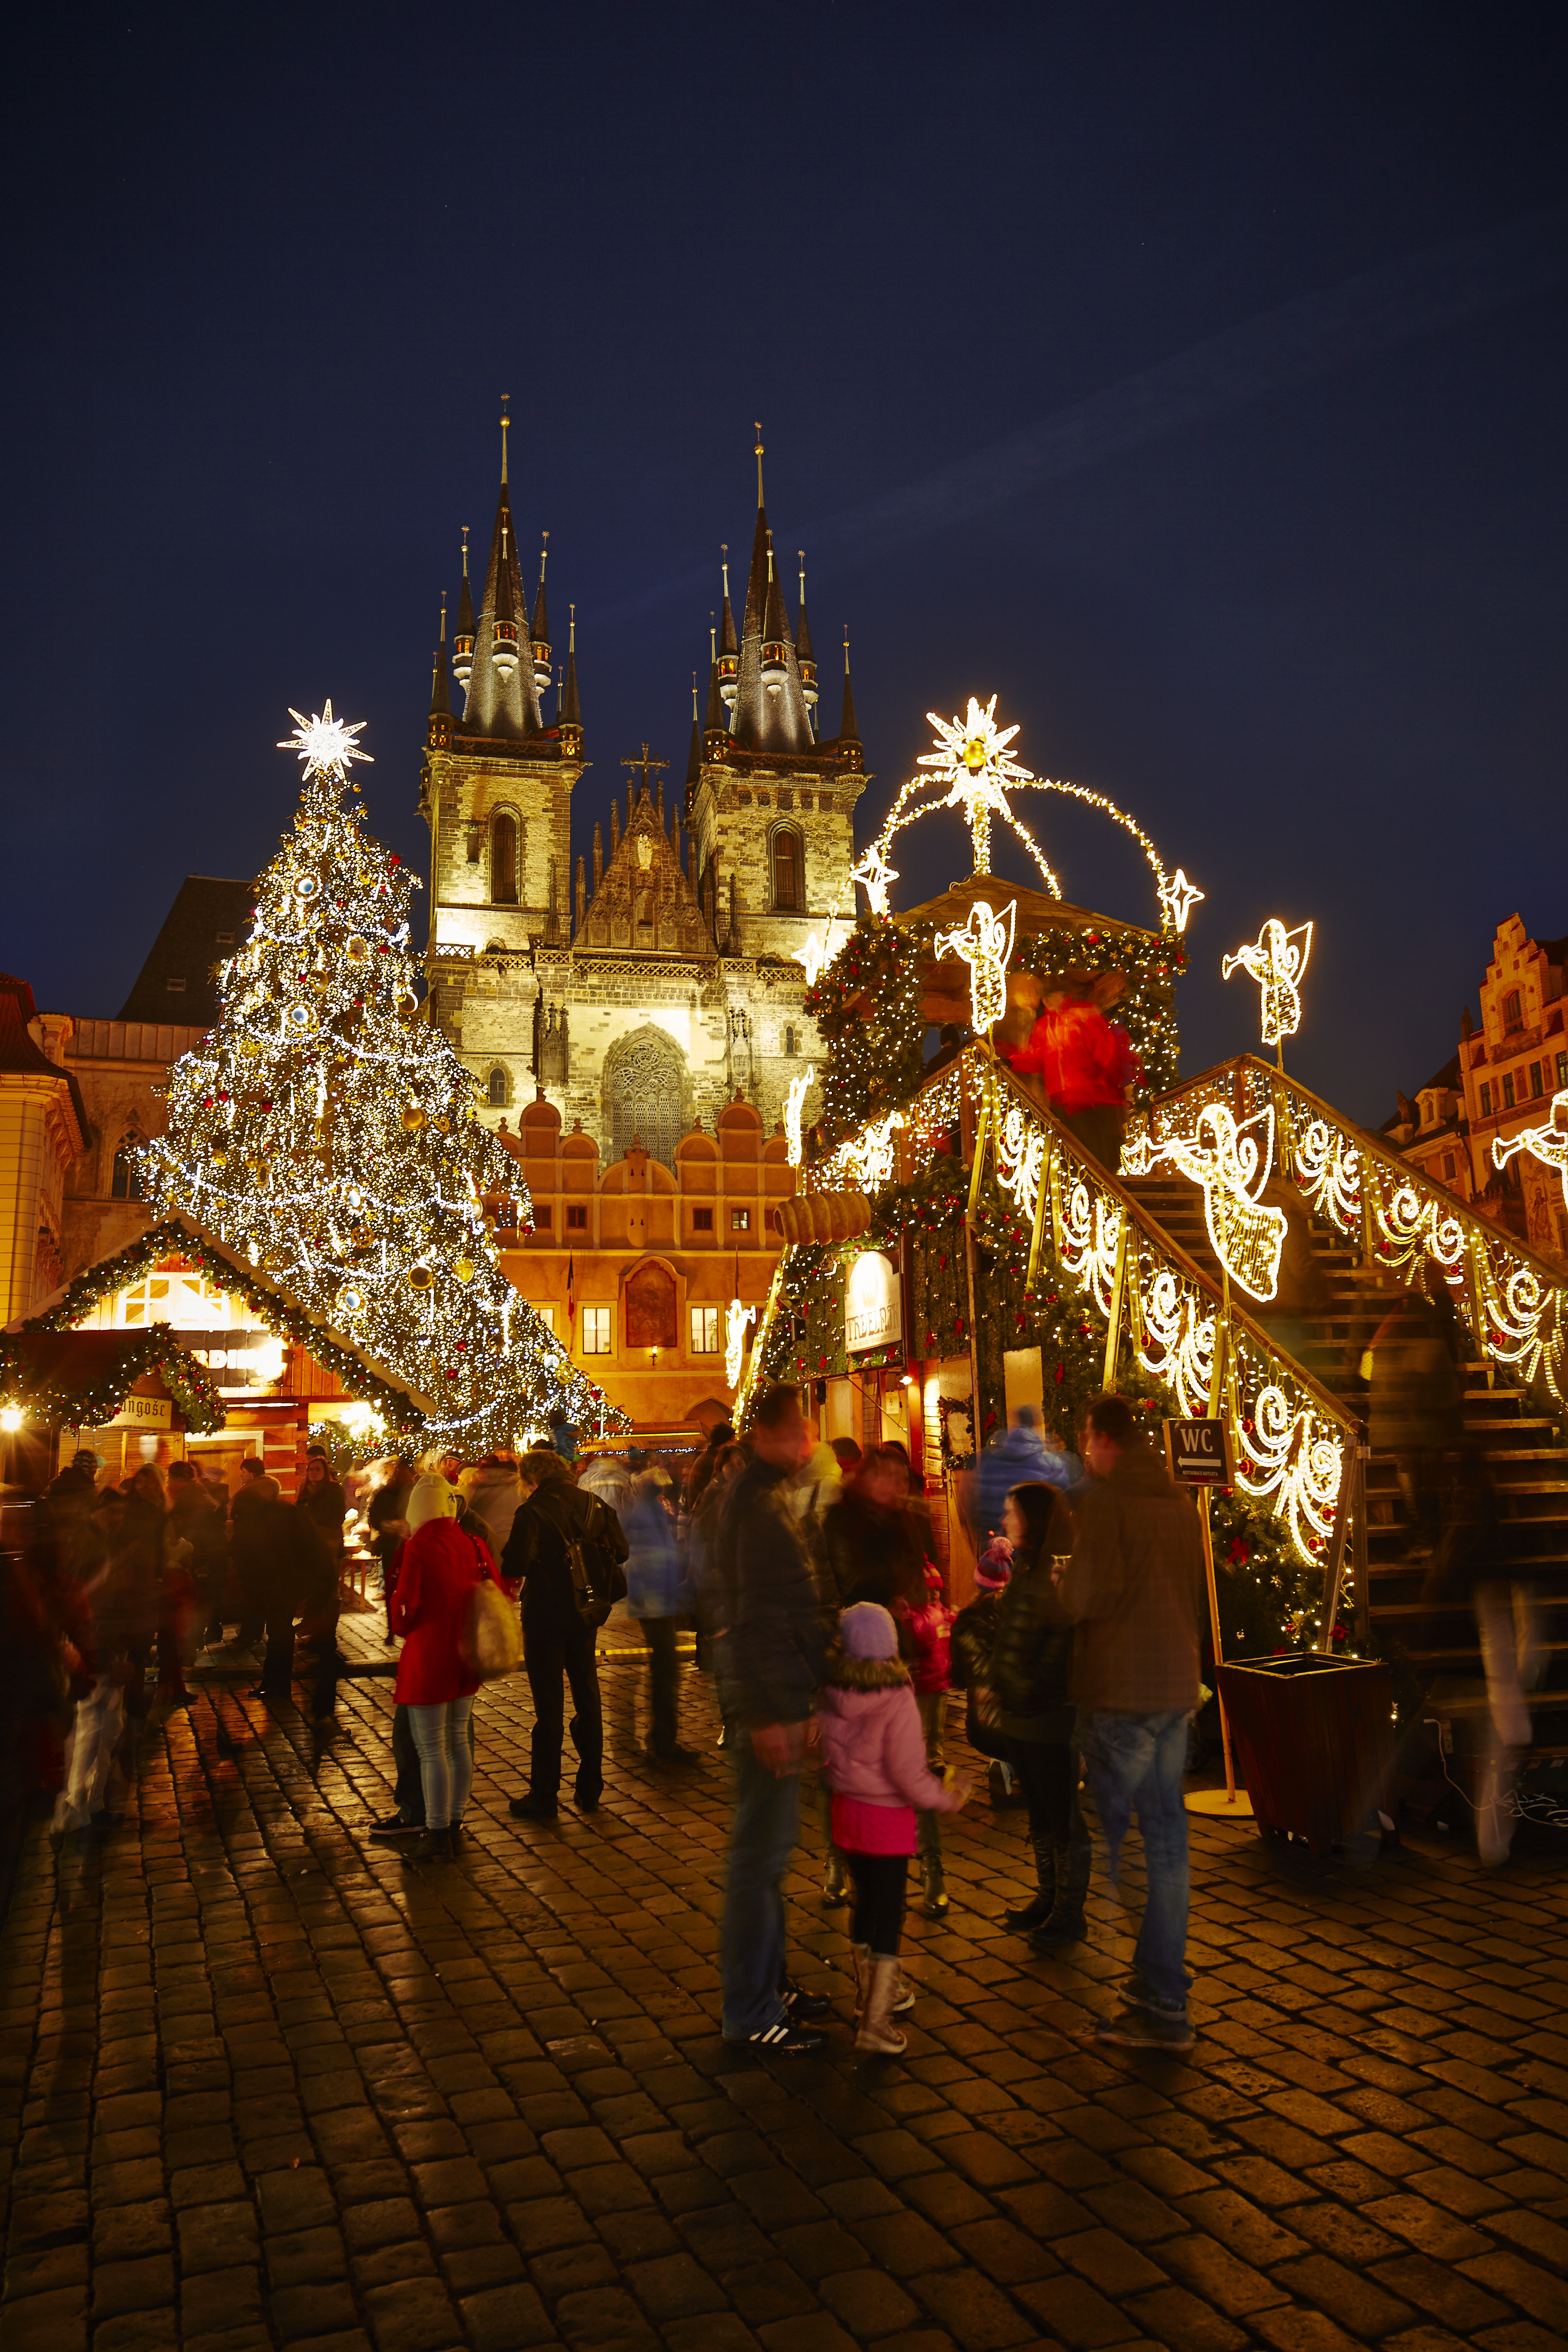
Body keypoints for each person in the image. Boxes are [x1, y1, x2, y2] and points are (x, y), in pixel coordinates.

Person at [1062, 1393, 1206, 2050]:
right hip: (1175, 1685)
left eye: (1087, 1440)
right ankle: (1162, 1991)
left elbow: (1087, 1598)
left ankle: (1158, 1993)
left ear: (1102, 1439)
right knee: (1168, 1843)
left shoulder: (1109, 1504)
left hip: (1124, 1692)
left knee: (1134, 1851)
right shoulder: (1177, 1502)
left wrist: (1054, 1596)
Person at [714, 1385, 831, 2051]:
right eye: (799, 1434)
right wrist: (767, 1712)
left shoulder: (766, 1497)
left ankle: (771, 1984)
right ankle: (752, 2010)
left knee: (771, 1854)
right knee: (758, 1859)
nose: (807, 1446)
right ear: (772, 1436)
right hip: (768, 1704)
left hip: (782, 1696)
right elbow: (753, 1615)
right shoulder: (755, 1507)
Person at [817, 1601, 971, 2054]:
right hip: (886, 1823)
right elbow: (907, 1773)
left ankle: (874, 1994)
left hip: (847, 1815)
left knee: (865, 1903)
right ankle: (876, 2022)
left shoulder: (832, 1688)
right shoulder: (897, 1695)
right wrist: (947, 1797)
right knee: (890, 1916)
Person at [991, 1481, 1092, 1951]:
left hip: (1049, 1714)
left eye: (1012, 1511)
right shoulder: (1023, 1567)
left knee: (1062, 1816)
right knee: (1039, 1814)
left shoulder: (1057, 1570)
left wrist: (1027, 1688)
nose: (1006, 1518)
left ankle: (1070, 1914)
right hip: (1018, 1712)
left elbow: (1060, 1641)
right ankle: (1048, 1897)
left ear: (1032, 1519)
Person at [503, 1448, 628, 1819]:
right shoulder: (594, 1505)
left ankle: (544, 1795)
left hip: (544, 1616)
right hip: (585, 1614)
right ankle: (591, 1786)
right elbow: (620, 1551)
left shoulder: (532, 1510)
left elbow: (517, 1562)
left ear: (530, 1480)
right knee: (587, 1696)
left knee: (549, 1708)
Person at [385, 1472, 501, 1861]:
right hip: (465, 1654)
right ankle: (454, 1821)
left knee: (430, 1748)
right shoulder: (473, 1542)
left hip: (428, 1656)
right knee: (457, 1743)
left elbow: (404, 1609)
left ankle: (436, 1830)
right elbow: (498, 1590)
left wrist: (401, 1623)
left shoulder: (419, 1546)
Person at [1008, 967, 1139, 1171]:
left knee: (1101, 1160)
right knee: (1076, 1160)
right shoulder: (1044, 1025)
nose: (1049, 1001)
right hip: (1063, 1103)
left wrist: (1109, 1084)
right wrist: (1011, 1062)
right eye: (1046, 997)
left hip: (1094, 1100)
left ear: (1063, 994)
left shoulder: (1084, 1014)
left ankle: (1107, 1195)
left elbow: (1105, 1051)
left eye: (1052, 995)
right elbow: (1037, 1057)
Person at [624, 1464, 694, 1762]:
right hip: (655, 1603)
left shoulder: (647, 1510)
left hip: (658, 1600)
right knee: (665, 1671)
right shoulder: (644, 1513)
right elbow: (650, 1559)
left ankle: (662, 1738)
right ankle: (663, 1742)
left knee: (665, 1670)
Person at [949, 1536, 1020, 1806]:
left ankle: (1000, 1764)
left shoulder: (965, 1620)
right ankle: (1018, 1769)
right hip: (1019, 1726)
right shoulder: (1018, 1618)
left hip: (978, 1728)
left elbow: (958, 1678)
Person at [974, 1405, 1080, 1542]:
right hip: (1037, 1541)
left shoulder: (992, 1463)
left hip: (1001, 1539)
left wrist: (989, 1533)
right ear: (1035, 1424)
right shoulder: (1052, 1463)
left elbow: (983, 1502)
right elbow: (1060, 1501)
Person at [168, 1459, 228, 1646]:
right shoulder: (200, 1492)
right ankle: (212, 1630)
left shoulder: (183, 1497)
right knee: (210, 1592)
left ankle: (196, 1636)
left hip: (198, 1552)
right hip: (213, 1550)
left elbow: (184, 1528)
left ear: (176, 1478)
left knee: (197, 1593)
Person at [230, 1456, 280, 1645]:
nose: (241, 1475)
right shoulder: (268, 1493)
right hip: (264, 1550)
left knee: (252, 1593)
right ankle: (256, 1631)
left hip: (250, 1550)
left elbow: (242, 1523)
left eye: (243, 1471)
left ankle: (250, 1633)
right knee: (257, 1593)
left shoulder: (248, 1496)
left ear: (252, 1474)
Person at [466, 1451, 525, 1561]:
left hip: (490, 1542)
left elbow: (468, 1514)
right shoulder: (518, 1485)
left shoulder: (480, 1488)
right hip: (514, 1539)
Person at [299, 1447, 348, 1565]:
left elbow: (337, 1518)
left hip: (329, 1544)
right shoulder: (306, 1492)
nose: (314, 1473)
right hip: (309, 1544)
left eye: (318, 1470)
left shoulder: (334, 1491)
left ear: (325, 1471)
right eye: (311, 1470)